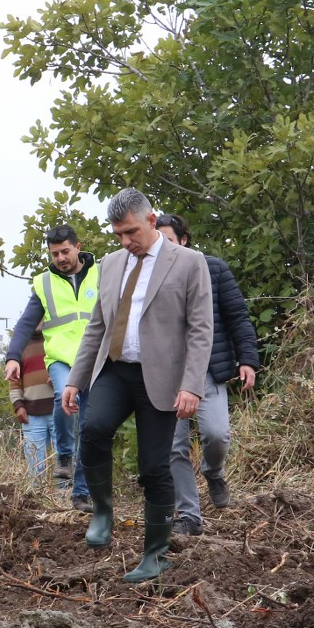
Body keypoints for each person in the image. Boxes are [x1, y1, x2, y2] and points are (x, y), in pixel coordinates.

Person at [61, 189, 212, 583]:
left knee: (154, 468)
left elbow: (200, 329)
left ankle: (155, 555)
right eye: (118, 235)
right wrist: (76, 379)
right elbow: (97, 325)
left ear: (150, 219)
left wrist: (192, 385)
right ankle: (102, 511)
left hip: (162, 379)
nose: (125, 242)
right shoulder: (111, 264)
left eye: (130, 232)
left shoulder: (189, 263)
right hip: (116, 370)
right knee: (92, 431)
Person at [156, 214, 261, 536]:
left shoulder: (214, 269)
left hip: (208, 370)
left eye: (169, 241)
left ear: (184, 240)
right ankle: (189, 516)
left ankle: (213, 472)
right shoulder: (150, 278)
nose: (163, 250)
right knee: (174, 446)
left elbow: (238, 316)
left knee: (217, 435)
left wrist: (247, 360)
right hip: (168, 374)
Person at [4, 224, 99, 511]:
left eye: (65, 251)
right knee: (63, 398)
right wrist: (12, 356)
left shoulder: (102, 273)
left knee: (89, 427)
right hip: (60, 359)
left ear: (78, 247)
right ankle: (64, 455)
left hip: (94, 360)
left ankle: (80, 494)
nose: (60, 258)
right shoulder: (43, 283)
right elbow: (24, 324)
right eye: (54, 253)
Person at [9, 329, 56, 480]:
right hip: (31, 414)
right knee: (35, 464)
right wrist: (18, 405)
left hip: (60, 409)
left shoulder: (56, 338)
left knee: (65, 458)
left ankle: (65, 497)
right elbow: (14, 381)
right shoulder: (19, 346)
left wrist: (61, 378)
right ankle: (36, 498)